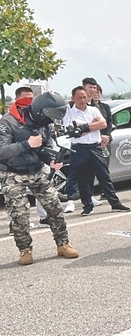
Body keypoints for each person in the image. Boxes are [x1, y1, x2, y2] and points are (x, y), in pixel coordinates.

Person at [0, 91, 79, 265]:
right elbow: (1, 150)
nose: (50, 121)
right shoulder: (8, 122)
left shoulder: (45, 123)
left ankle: (63, 244)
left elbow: (45, 146)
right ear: (40, 111)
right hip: (13, 172)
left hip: (36, 170)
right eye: (49, 117)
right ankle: (25, 251)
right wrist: (26, 144)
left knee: (55, 207)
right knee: (20, 214)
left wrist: (50, 160)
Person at [62, 86, 131, 216]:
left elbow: (103, 124)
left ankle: (115, 203)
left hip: (95, 147)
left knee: (104, 176)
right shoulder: (69, 113)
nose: (83, 100)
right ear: (73, 98)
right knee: (83, 179)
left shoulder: (93, 110)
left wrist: (84, 127)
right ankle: (87, 205)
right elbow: (73, 132)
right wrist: (92, 125)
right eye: (79, 98)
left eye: (84, 97)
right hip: (79, 149)